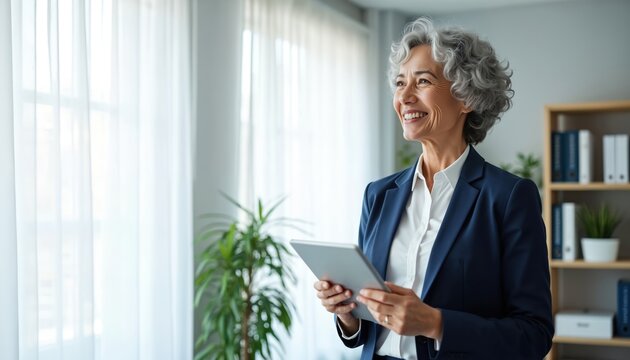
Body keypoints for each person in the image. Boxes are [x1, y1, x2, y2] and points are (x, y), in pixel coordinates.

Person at [313, 17, 553, 360]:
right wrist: (347, 313)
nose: (405, 97)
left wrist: (435, 323)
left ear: (467, 97)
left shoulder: (508, 197)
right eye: (400, 83)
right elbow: (366, 330)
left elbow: (534, 334)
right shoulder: (378, 195)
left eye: (422, 81)